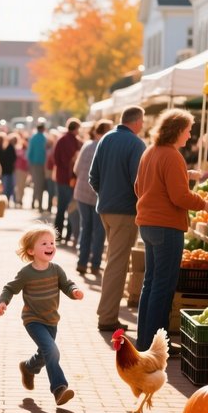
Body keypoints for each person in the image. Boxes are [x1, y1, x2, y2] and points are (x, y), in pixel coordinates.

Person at [134, 109, 208, 351]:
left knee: (151, 284)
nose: (190, 136)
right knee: (163, 287)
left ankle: (145, 341)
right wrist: (204, 203)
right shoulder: (172, 155)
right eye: (189, 130)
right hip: (166, 227)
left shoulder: (151, 151)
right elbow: (179, 197)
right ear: (178, 130)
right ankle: (157, 346)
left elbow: (140, 186)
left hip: (148, 223)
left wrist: (185, 174)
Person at [0, 225, 84, 407]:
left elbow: (66, 284)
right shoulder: (26, 273)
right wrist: (3, 302)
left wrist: (74, 290)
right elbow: (10, 288)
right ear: (31, 250)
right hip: (33, 320)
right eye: (43, 243)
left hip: (52, 320)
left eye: (51, 242)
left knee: (45, 353)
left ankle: (28, 368)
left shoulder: (56, 270)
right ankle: (59, 388)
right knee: (52, 350)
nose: (49, 246)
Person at [88, 106, 146, 332]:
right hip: (124, 211)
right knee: (117, 264)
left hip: (106, 208)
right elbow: (138, 183)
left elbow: (93, 176)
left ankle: (106, 313)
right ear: (137, 121)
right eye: (142, 122)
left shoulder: (106, 139)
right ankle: (107, 316)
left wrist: (105, 195)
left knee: (113, 261)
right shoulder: (136, 144)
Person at [73, 119, 112, 275]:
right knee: (99, 231)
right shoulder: (107, 148)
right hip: (99, 195)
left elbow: (76, 169)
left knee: (86, 228)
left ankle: (82, 262)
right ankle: (95, 264)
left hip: (82, 193)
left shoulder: (86, 145)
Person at [52, 119, 82, 242]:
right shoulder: (76, 142)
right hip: (71, 179)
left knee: (60, 207)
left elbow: (55, 158)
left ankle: (57, 235)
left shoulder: (61, 141)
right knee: (71, 207)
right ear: (76, 129)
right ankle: (69, 234)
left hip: (61, 178)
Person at [27, 121, 47, 212]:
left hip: (34, 164)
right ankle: (39, 205)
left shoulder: (33, 138)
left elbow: (29, 152)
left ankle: (33, 202)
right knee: (40, 185)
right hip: (42, 164)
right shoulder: (44, 138)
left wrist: (29, 165)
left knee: (36, 184)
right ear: (43, 129)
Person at [0, 133, 17, 206]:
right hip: (6, 171)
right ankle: (5, 200)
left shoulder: (3, 148)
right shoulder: (2, 148)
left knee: (6, 187)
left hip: (5, 171)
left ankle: (5, 200)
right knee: (6, 187)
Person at [13, 135, 29, 208]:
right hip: (19, 169)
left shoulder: (28, 151)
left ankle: (20, 199)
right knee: (19, 185)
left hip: (25, 170)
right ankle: (18, 199)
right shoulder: (19, 150)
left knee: (22, 185)